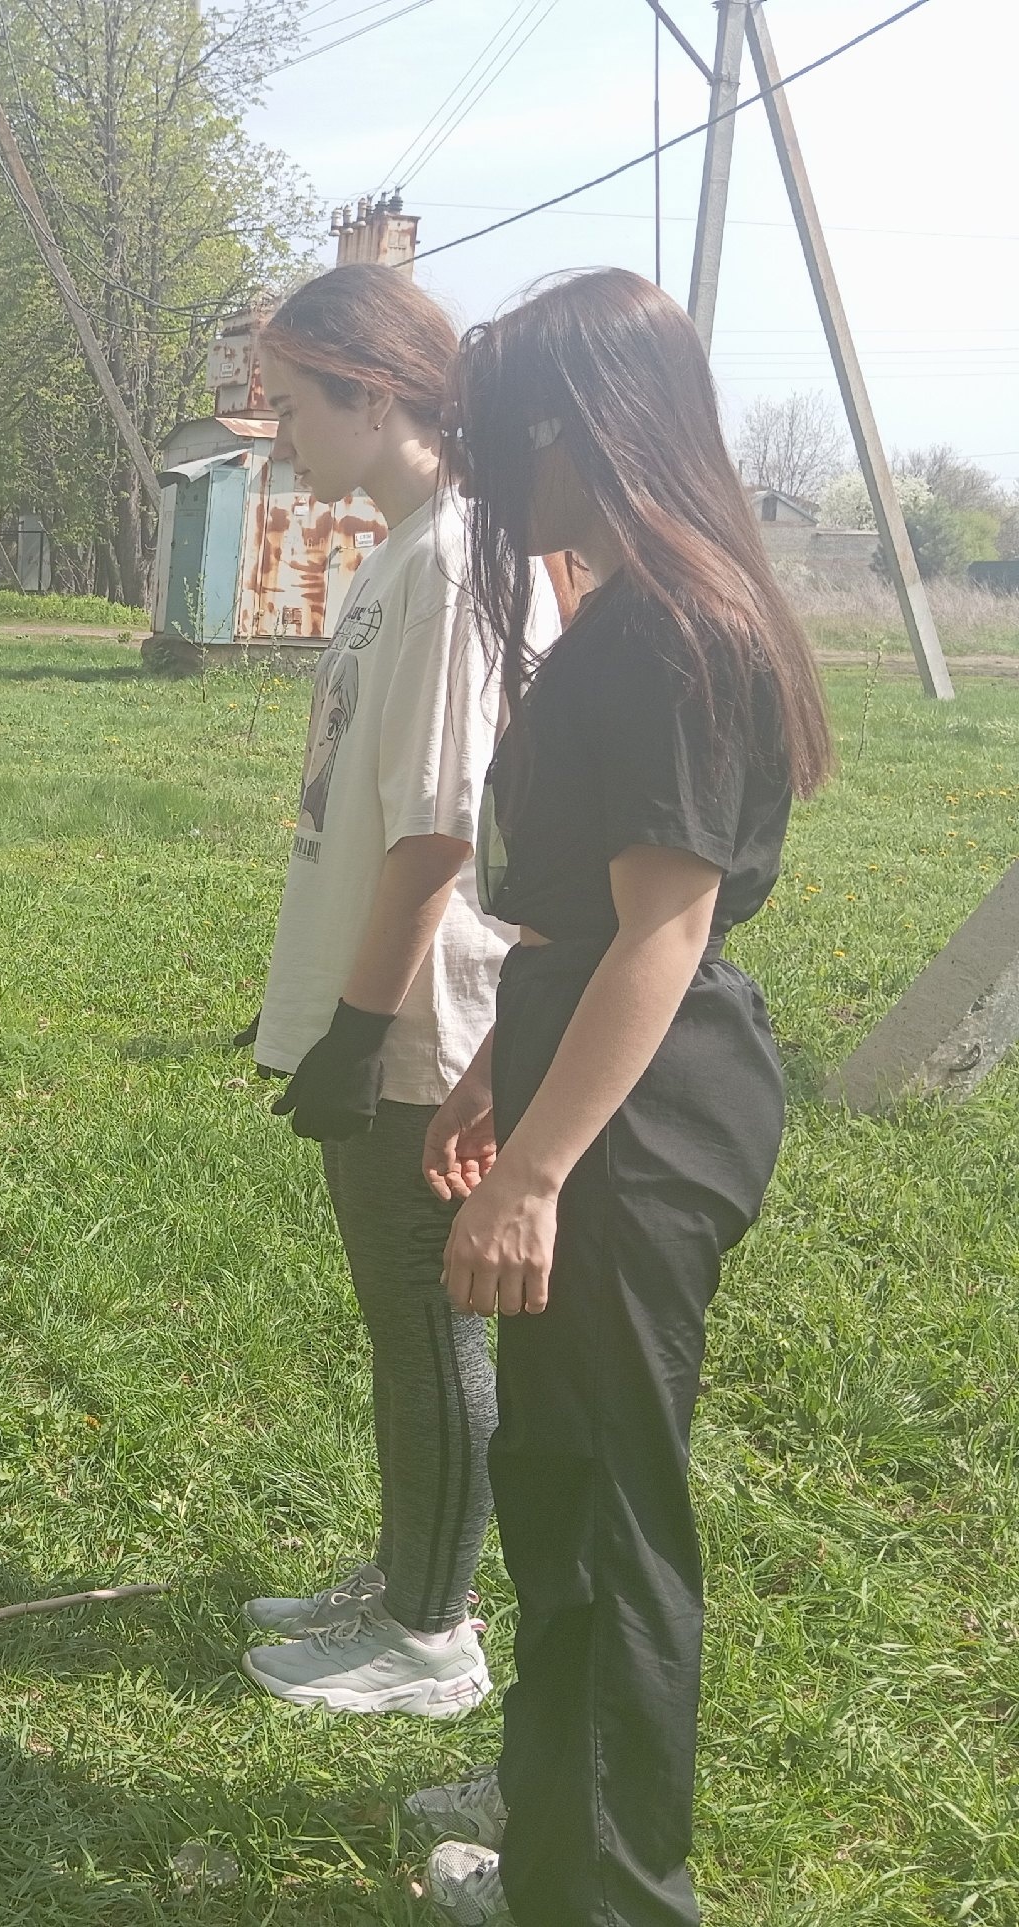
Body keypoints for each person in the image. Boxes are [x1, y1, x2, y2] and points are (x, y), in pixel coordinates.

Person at [402, 270, 832, 1926]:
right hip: (596, 1060)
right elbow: (586, 913)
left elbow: (667, 927)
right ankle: (553, 1793)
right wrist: (490, 1071)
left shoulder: (671, 628)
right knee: (563, 1477)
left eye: (506, 438)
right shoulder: (637, 604)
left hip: (644, 1119)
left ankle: (607, 1889)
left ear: (586, 428)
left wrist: (537, 1173)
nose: (492, 475)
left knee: (609, 1505)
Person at [238, 264, 558, 1719]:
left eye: (295, 398)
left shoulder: (451, 561)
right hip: (375, 1004)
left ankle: (431, 1633)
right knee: (399, 1318)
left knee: (429, 1322)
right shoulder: (402, 548)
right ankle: (410, 1566)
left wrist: (361, 1031)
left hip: (426, 1021)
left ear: (376, 394)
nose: (276, 425)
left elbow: (439, 827)